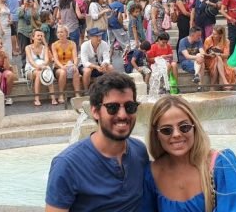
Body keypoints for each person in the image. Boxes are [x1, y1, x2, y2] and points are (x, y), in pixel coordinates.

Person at [46, 72, 151, 211]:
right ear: (95, 111)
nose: (123, 115)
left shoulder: (140, 151)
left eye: (130, 106)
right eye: (112, 108)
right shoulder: (67, 165)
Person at [144, 95, 236, 211]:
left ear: (194, 127)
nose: (176, 134)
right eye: (166, 130)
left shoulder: (222, 164)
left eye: (184, 127)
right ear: (156, 134)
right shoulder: (151, 174)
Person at [25, 29, 57, 106]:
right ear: (33, 37)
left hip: (43, 67)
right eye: (38, 35)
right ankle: (36, 98)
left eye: (41, 36)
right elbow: (31, 61)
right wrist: (38, 67)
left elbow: (46, 60)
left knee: (48, 72)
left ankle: (53, 98)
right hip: (31, 69)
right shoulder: (28, 47)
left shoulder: (45, 47)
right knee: (39, 73)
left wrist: (43, 66)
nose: (40, 37)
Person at [203, 25, 236, 90]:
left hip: (221, 62)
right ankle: (224, 81)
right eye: (212, 33)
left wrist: (217, 54)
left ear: (221, 35)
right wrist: (211, 55)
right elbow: (204, 54)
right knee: (217, 58)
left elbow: (226, 55)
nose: (213, 35)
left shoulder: (226, 41)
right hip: (209, 60)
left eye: (215, 34)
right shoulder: (208, 40)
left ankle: (213, 87)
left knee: (218, 58)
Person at [52, 26, 81, 103]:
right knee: (62, 72)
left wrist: (75, 65)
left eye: (61, 32)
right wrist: (62, 67)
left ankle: (77, 94)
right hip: (58, 67)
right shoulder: (54, 45)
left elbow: (75, 57)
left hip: (69, 65)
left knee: (76, 70)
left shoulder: (72, 44)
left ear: (66, 33)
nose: (60, 34)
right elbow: (55, 59)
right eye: (58, 32)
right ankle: (61, 95)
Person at [17, 0, 40, 71]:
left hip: (31, 32)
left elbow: (37, 16)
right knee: (23, 50)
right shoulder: (20, 8)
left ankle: (32, 65)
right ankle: (24, 67)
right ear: (23, 0)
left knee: (31, 49)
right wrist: (24, 7)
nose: (27, 1)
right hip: (22, 31)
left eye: (28, 0)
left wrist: (33, 7)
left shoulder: (32, 8)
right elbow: (19, 15)